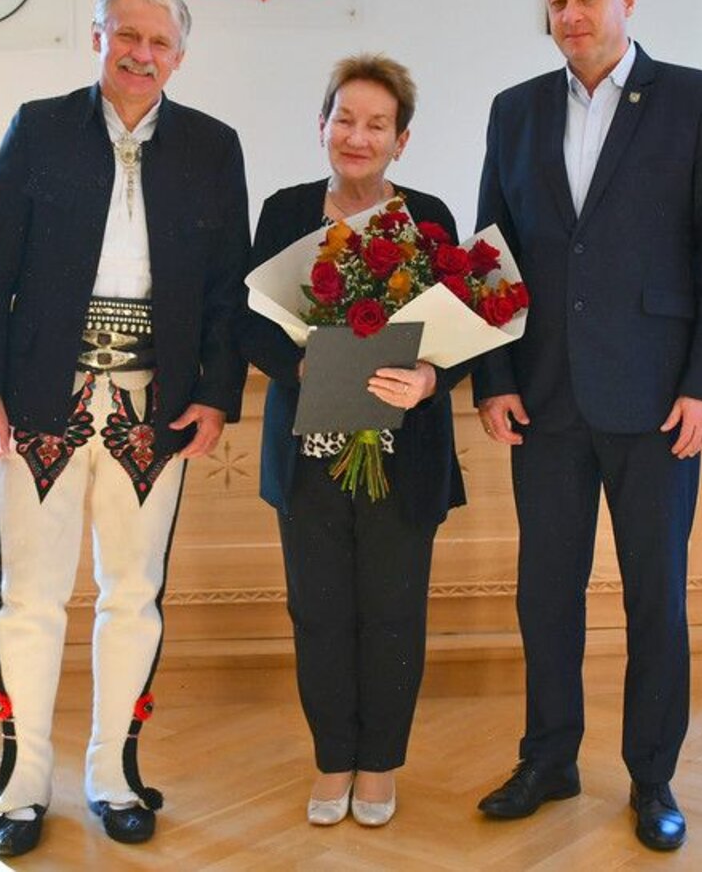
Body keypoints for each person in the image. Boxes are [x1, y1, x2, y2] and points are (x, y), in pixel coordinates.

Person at [0, 0, 249, 857]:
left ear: (180, 57)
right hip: (38, 399)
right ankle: (21, 787)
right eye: (127, 35)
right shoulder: (38, 128)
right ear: (97, 38)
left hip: (155, 407)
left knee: (133, 595)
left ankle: (114, 776)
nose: (140, 54)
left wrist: (216, 393)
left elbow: (228, 285)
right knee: (29, 598)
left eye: (159, 42)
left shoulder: (213, 146)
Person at [472, 0, 702, 851]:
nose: (572, 16)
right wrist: (494, 378)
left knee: (656, 600)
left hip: (658, 402)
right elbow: (490, 257)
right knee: (545, 595)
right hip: (544, 401)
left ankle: (652, 777)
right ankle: (549, 759)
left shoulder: (696, 100)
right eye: (558, 2)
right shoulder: (515, 111)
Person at [239, 54, 468, 829]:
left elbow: (463, 331)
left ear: (402, 140)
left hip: (405, 454)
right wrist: (299, 364)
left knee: (393, 615)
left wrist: (431, 379)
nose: (358, 136)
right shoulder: (285, 212)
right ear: (322, 126)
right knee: (319, 613)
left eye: (377, 124)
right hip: (309, 455)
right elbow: (248, 321)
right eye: (344, 119)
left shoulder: (429, 218)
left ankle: (379, 766)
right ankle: (333, 758)